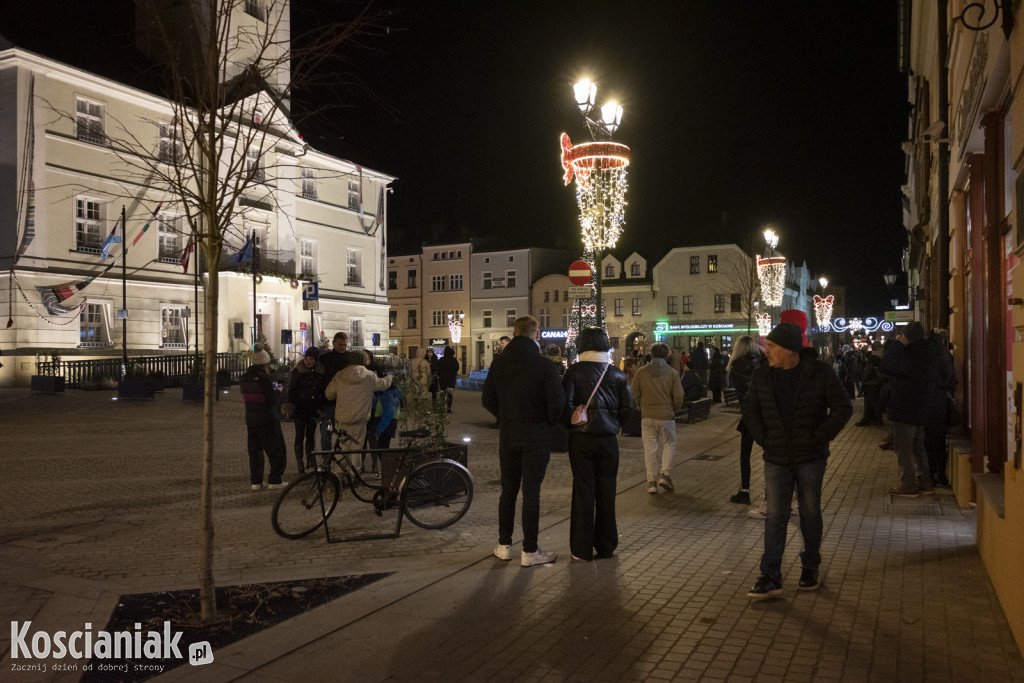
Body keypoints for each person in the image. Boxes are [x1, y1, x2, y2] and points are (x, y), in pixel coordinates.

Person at [742, 322, 852, 599]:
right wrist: (763, 438)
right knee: (775, 516)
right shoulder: (762, 374)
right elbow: (750, 409)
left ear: (790, 350)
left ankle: (810, 565)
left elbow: (843, 407)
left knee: (809, 512)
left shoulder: (819, 372)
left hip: (810, 456)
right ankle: (770, 575)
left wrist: (819, 437)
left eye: (773, 346)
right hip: (776, 456)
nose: (767, 351)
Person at [483, 315, 565, 567]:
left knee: (508, 491)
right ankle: (530, 551)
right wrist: (546, 420)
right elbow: (558, 403)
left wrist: (506, 416)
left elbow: (487, 399)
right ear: (536, 334)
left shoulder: (499, 364)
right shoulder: (544, 366)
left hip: (509, 435)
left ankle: (504, 545)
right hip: (536, 436)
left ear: (514, 332)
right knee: (532, 493)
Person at [562, 327, 634, 561]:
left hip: (581, 439)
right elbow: (628, 409)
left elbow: (566, 406)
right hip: (608, 440)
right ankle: (606, 545)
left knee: (583, 492)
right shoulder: (617, 374)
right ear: (605, 346)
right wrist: (614, 424)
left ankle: (581, 549)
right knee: (607, 491)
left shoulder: (573, 373)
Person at [881, 321, 940, 497]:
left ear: (908, 338)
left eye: (903, 335)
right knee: (918, 446)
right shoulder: (929, 353)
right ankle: (925, 481)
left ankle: (909, 484)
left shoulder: (912, 355)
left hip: (906, 408)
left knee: (904, 448)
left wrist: (898, 345)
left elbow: (887, 366)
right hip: (921, 408)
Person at [631, 342, 683, 495]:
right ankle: (665, 474)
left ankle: (651, 481)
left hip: (647, 415)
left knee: (649, 448)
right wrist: (674, 408)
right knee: (669, 444)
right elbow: (679, 396)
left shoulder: (641, 372)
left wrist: (641, 405)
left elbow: (635, 392)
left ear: (651, 355)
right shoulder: (672, 373)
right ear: (667, 356)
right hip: (666, 414)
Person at [324, 350, 393, 454]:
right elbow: (383, 384)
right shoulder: (369, 376)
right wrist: (390, 377)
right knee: (356, 451)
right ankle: (355, 470)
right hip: (359, 419)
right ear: (365, 360)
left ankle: (340, 470)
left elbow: (329, 394)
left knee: (342, 449)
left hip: (342, 419)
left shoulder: (340, 375)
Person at [239, 346, 288, 490]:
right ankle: (275, 480)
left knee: (255, 451)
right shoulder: (265, 378)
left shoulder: (244, 378)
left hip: (251, 419)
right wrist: (279, 390)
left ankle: (256, 481)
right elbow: (271, 400)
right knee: (276, 450)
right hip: (267, 419)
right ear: (265, 362)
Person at [726, 335, 763, 505]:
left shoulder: (736, 366)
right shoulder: (764, 362)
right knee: (771, 455)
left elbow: (744, 392)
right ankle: (772, 492)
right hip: (768, 414)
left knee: (745, 455)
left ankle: (745, 491)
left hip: (750, 416)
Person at [284, 347, 324, 473]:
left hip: (312, 409)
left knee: (311, 436)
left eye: (311, 358)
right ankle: (300, 462)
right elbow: (291, 390)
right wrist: (289, 407)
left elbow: (321, 390)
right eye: (306, 358)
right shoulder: (298, 371)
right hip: (300, 408)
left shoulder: (320, 373)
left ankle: (311, 462)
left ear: (316, 360)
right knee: (299, 435)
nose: (308, 361)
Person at [925, 331, 956, 487]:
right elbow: (952, 381)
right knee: (939, 442)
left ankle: (930, 474)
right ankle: (942, 475)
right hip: (940, 403)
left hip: (927, 403)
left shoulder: (927, 360)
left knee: (928, 441)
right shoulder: (946, 358)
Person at [317, 332, 349, 450]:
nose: (343, 347)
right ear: (334, 343)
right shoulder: (325, 358)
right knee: (326, 433)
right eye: (340, 345)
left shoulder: (349, 358)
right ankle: (326, 460)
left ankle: (342, 461)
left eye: (345, 345)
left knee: (345, 434)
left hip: (345, 402)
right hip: (328, 402)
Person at [856, 342, 885, 427]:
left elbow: (867, 371)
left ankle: (872, 420)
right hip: (877, 382)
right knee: (875, 402)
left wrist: (863, 379)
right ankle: (876, 420)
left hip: (871, 383)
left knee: (870, 402)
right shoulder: (882, 357)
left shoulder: (872, 358)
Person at [488, 336, 511, 429]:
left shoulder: (508, 354)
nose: (501, 345)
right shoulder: (501, 354)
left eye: (502, 343)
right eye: (500, 343)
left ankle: (502, 421)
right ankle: (500, 420)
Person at [436, 345, 460, 413]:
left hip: (442, 380)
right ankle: (448, 408)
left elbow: (438, 368)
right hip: (451, 380)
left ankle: (441, 407)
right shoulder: (453, 360)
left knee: (442, 394)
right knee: (449, 394)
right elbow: (457, 368)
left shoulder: (441, 360)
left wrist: (440, 374)